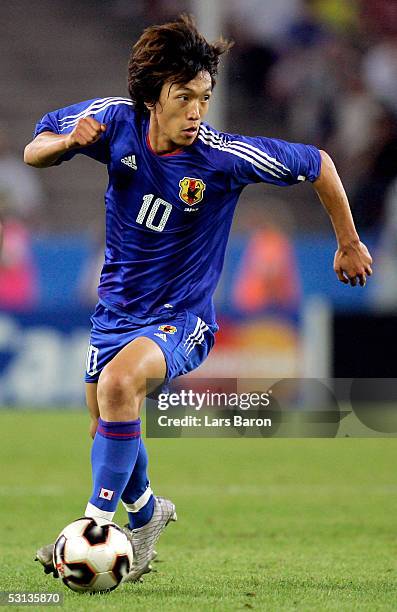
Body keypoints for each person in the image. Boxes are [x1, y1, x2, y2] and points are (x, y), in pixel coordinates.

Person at [24, 15, 373, 584]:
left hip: (183, 319)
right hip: (115, 313)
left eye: (204, 97)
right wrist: (66, 144)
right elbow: (33, 150)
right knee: (108, 421)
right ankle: (147, 514)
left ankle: (88, 533)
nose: (196, 111)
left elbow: (319, 164)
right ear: (151, 96)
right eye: (183, 97)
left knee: (118, 386)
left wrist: (349, 241)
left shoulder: (223, 156)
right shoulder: (114, 122)